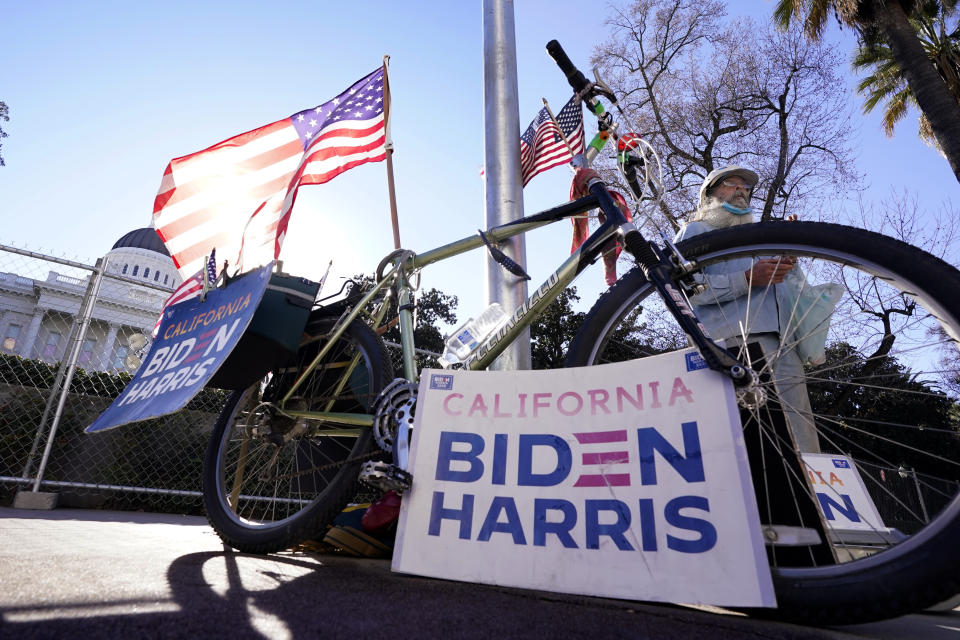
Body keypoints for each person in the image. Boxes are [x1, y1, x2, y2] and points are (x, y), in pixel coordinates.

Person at [674, 166, 820, 453]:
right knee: (750, 442)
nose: (741, 191)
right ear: (709, 195)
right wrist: (745, 280)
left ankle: (809, 494)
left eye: (745, 188)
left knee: (800, 437)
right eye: (732, 185)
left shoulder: (759, 238)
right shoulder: (695, 231)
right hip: (733, 342)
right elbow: (683, 288)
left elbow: (788, 289)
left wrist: (789, 260)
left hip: (784, 343)